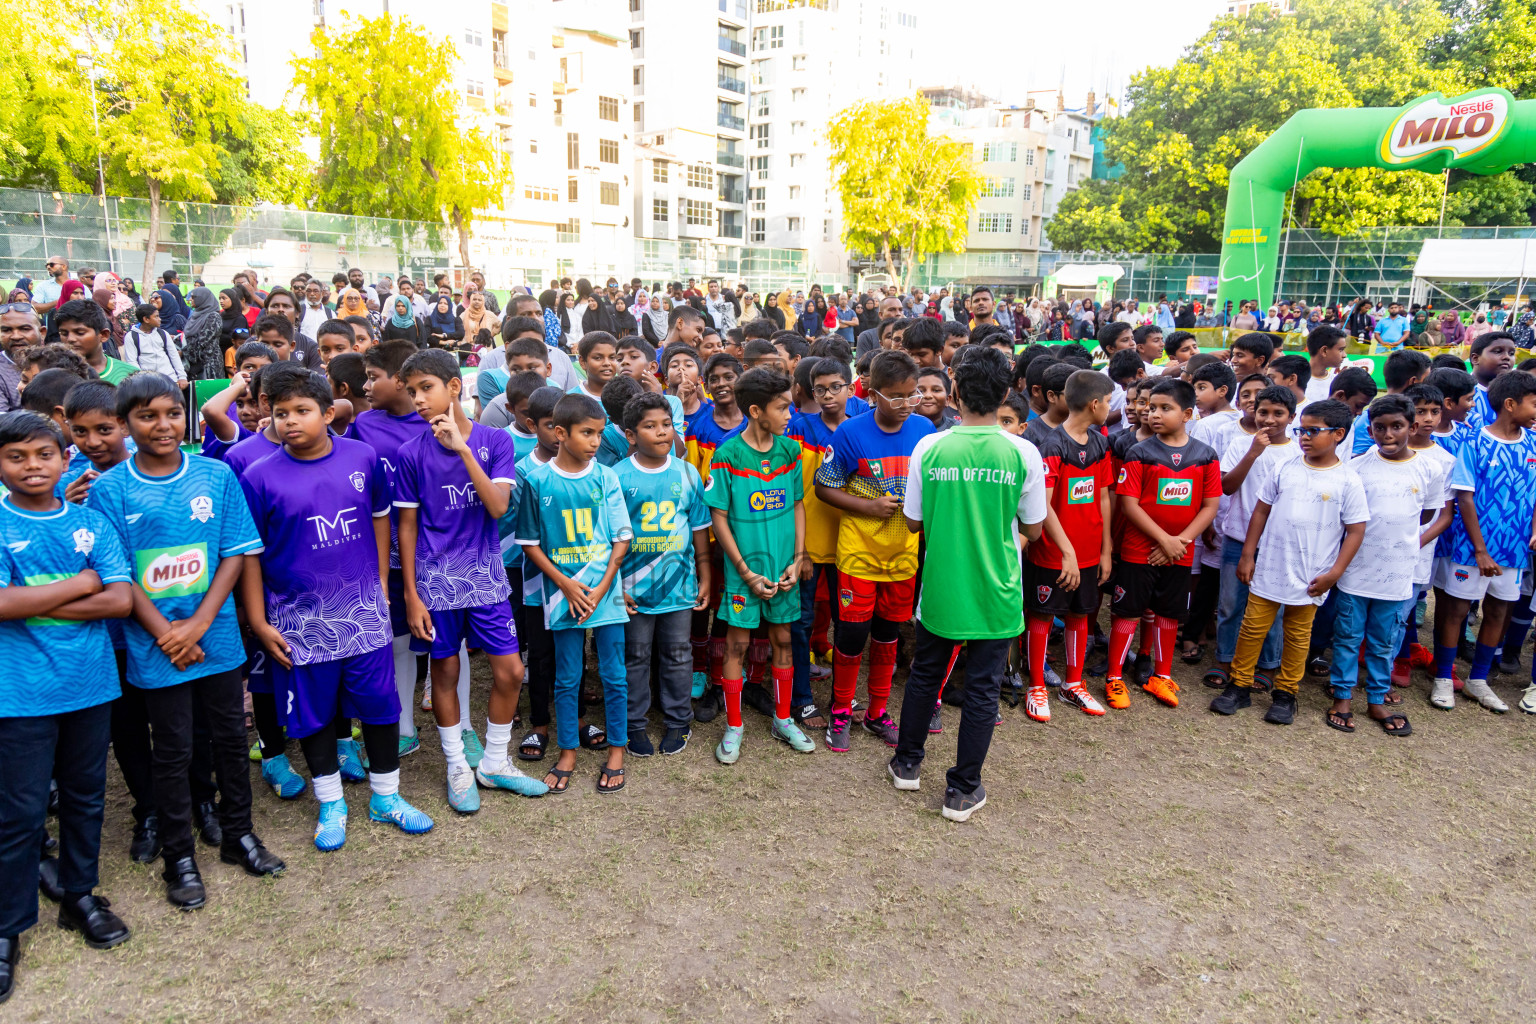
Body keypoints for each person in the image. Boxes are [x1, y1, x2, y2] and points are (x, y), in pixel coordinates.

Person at [88, 373, 286, 910]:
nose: (162, 426)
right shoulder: (111, 489)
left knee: (226, 740)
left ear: (187, 416)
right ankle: (179, 857)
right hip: (156, 644)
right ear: (127, 423)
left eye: (172, 414)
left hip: (215, 637)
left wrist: (198, 624)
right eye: (147, 416)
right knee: (172, 751)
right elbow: (119, 575)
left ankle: (239, 834)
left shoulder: (215, 475)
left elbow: (236, 552)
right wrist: (166, 633)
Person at [238, 369, 435, 851]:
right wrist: (259, 621)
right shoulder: (258, 476)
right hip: (298, 622)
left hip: (363, 612)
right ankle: (331, 804)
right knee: (314, 716)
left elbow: (379, 518)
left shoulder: (362, 456)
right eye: (280, 413)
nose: (290, 422)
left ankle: (385, 797)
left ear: (328, 414)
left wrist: (379, 586)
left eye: (302, 411)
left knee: (380, 707)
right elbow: (247, 555)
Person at [0, 410, 136, 1002]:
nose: (32, 467)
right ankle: (7, 929)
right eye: (16, 457)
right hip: (19, 693)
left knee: (85, 800)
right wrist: (80, 586)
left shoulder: (91, 523)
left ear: (63, 460)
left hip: (90, 685)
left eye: (43, 455)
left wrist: (32, 601)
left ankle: (80, 896)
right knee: (20, 814)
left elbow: (122, 601)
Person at [888, 346, 1047, 821]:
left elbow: (913, 522)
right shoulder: (1023, 451)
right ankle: (963, 789)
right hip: (997, 591)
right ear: (1006, 392)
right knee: (981, 690)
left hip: (940, 587)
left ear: (954, 391)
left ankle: (907, 763)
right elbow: (1034, 529)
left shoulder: (929, 447)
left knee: (925, 676)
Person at [395, 350, 545, 810]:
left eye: (427, 388)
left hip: (486, 579)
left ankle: (495, 763)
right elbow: (406, 526)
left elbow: (499, 508)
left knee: (510, 671)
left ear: (454, 386)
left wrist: (461, 449)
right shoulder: (409, 454)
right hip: (435, 584)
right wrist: (412, 595)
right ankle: (458, 764)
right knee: (445, 670)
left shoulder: (494, 443)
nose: (419, 399)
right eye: (412, 391)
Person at [1213, 399, 1368, 723]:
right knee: (1252, 628)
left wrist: (1335, 573)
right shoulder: (1284, 467)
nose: (1305, 437)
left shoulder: (1348, 479)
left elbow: (1355, 530)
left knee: (1298, 635)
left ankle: (1286, 693)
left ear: (1339, 434)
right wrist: (1247, 555)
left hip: (1311, 575)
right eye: (1302, 430)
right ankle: (1238, 686)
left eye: (1314, 431)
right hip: (1269, 567)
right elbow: (1261, 510)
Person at [813, 351, 934, 750]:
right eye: (896, 397)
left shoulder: (923, 430)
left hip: (904, 554)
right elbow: (824, 485)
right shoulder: (850, 433)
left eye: (912, 396)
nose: (905, 405)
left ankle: (878, 712)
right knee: (851, 635)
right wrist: (867, 507)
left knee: (887, 635)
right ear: (871, 393)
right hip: (858, 553)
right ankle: (841, 710)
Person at [515, 393, 633, 793]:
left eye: (600, 433)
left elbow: (622, 540)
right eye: (587, 433)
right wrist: (565, 583)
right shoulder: (537, 481)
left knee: (614, 674)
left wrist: (601, 587)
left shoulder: (607, 477)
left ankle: (617, 748)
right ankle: (568, 750)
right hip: (560, 594)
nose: (596, 441)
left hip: (605, 593)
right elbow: (529, 543)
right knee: (566, 677)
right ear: (560, 433)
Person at [703, 367, 808, 762]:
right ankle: (734, 725)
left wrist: (797, 559)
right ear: (755, 410)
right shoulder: (727, 454)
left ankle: (783, 719)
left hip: (784, 570)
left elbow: (797, 504)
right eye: (782, 407)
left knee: (782, 640)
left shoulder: (790, 450)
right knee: (738, 644)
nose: (789, 415)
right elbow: (719, 518)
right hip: (743, 573)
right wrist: (744, 571)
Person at [1321, 395, 1441, 735]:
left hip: (1398, 573)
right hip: (1355, 571)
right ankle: (1342, 696)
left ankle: (1376, 698)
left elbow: (1428, 514)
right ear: (1370, 429)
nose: (1387, 434)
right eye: (1379, 427)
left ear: (1412, 427)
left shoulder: (1428, 469)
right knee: (1346, 636)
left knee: (1384, 640)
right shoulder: (1357, 467)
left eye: (1397, 426)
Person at [1105, 379, 1222, 709]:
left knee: (1169, 614)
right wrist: (1164, 540)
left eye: (1164, 408)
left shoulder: (1204, 456)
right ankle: (1114, 677)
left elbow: (1209, 506)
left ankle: (1162, 676)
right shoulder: (1138, 452)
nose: (1153, 413)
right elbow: (1129, 504)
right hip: (1138, 550)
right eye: (1150, 407)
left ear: (1187, 414)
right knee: (1127, 611)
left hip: (1180, 554)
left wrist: (1179, 543)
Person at [1430, 370, 1536, 713]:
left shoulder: (1534, 443)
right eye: (1534, 402)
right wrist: (1479, 549)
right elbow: (1465, 497)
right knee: (1457, 609)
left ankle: (1478, 681)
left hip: (1515, 548)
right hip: (1473, 547)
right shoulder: (1474, 442)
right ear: (1510, 404)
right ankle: (1444, 678)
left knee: (1499, 610)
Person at [613, 393, 711, 756]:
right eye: (650, 426)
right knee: (634, 656)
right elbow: (609, 538)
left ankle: (677, 721)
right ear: (631, 435)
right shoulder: (617, 477)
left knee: (677, 654)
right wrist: (614, 588)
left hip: (680, 588)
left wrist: (706, 575)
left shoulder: (687, 473)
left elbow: (699, 527)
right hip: (632, 590)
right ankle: (633, 724)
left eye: (666, 424)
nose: (661, 432)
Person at [1024, 370, 1115, 721]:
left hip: (1090, 552)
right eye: (1108, 401)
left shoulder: (1101, 443)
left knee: (1081, 615)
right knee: (1042, 615)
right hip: (1054, 553)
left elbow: (1104, 497)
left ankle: (1073, 684)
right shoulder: (1050, 445)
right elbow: (1042, 506)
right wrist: (1067, 553)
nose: (1110, 407)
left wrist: (1105, 549)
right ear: (1094, 404)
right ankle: (1036, 685)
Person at [121, 304, 187, 389]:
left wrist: (182, 377)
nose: (160, 319)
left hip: (170, 379)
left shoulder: (163, 334)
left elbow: (174, 355)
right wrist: (143, 380)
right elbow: (132, 361)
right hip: (148, 383)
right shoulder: (131, 337)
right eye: (156, 317)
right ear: (146, 319)